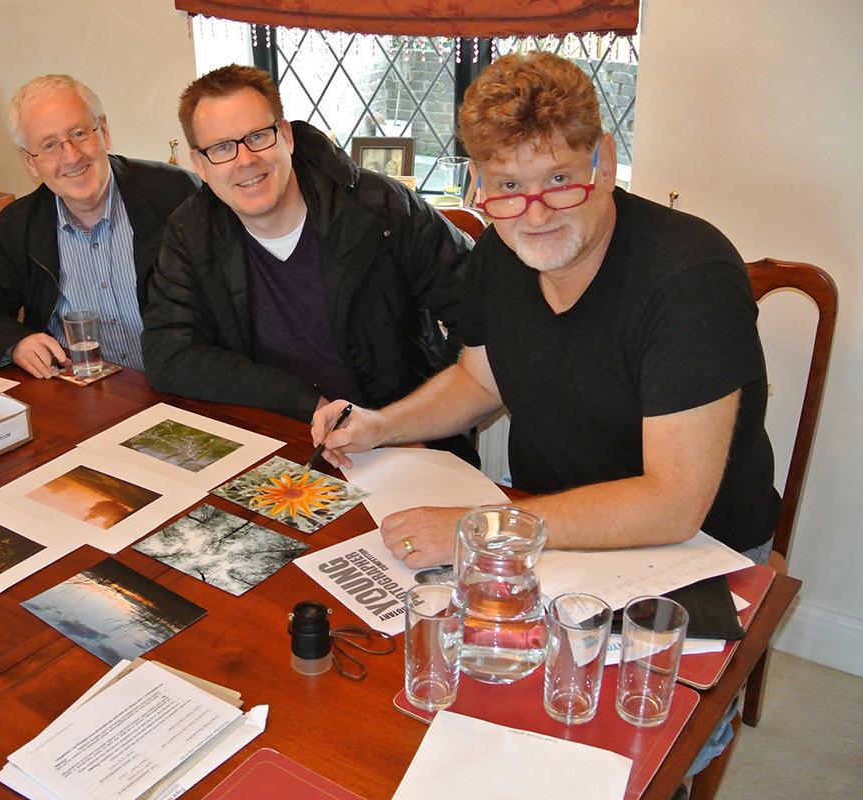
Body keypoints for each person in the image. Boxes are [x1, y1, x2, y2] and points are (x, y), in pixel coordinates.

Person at [313, 52, 780, 781]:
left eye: (559, 180)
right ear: (480, 185)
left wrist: (484, 529)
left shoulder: (690, 278)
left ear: (605, 157)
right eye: (508, 188)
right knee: (441, 716)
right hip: (551, 530)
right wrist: (380, 424)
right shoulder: (503, 253)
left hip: (696, 562)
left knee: (623, 756)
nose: (533, 213)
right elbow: (479, 378)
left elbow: (675, 504)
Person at [141, 65, 473, 461]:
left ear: (286, 136)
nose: (244, 161)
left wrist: (409, 420)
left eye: (258, 137)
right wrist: (305, 402)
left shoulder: (382, 208)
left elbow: (481, 316)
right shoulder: (191, 231)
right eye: (221, 148)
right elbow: (169, 355)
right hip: (281, 441)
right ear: (199, 164)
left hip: (403, 444)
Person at [0, 74, 200, 378]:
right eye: (49, 146)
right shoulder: (20, 225)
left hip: (178, 387)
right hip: (78, 392)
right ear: (30, 162)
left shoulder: (174, 193)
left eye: (79, 133)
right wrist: (17, 341)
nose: (71, 156)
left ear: (104, 131)